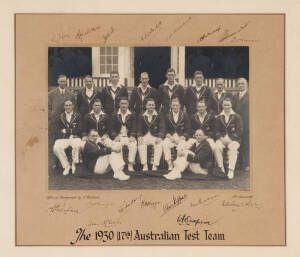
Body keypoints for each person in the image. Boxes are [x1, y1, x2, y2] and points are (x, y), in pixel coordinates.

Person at [214, 97, 244, 179]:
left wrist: (231, 139)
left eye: (228, 105)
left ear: (231, 105)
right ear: (222, 106)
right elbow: (216, 131)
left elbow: (240, 131)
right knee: (216, 147)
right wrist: (221, 138)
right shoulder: (219, 117)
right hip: (222, 139)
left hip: (234, 139)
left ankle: (231, 170)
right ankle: (221, 168)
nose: (226, 107)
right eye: (225, 105)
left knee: (233, 148)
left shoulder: (237, 116)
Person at [53, 99, 82, 175]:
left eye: (70, 105)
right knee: (56, 148)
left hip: (75, 137)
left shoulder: (78, 116)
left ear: (73, 106)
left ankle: (74, 164)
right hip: (63, 138)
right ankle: (66, 166)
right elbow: (57, 130)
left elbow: (79, 129)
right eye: (66, 105)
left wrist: (66, 131)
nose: (68, 107)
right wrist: (70, 131)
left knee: (78, 145)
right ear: (64, 107)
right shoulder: (60, 117)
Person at [162, 97, 191, 171]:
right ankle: (169, 164)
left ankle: (178, 165)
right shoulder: (167, 116)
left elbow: (188, 130)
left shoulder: (184, 115)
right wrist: (169, 136)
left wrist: (182, 137)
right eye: (173, 105)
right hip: (171, 137)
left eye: (177, 105)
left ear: (180, 106)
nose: (175, 107)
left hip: (181, 137)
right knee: (165, 144)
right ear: (171, 106)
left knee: (182, 145)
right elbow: (164, 129)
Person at [137, 98, 165, 171]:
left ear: (155, 106)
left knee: (159, 144)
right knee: (141, 144)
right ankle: (144, 165)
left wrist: (160, 137)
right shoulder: (141, 114)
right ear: (146, 106)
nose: (151, 106)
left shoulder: (159, 114)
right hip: (145, 136)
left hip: (155, 136)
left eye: (152, 105)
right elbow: (139, 128)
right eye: (149, 105)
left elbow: (162, 127)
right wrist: (139, 136)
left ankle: (155, 165)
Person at [110, 97, 138, 172]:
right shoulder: (114, 114)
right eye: (122, 103)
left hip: (129, 137)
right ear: (119, 104)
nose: (123, 105)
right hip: (119, 136)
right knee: (117, 145)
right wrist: (115, 136)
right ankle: (120, 165)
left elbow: (134, 126)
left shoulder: (132, 114)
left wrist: (132, 135)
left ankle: (130, 164)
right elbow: (111, 128)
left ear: (128, 104)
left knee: (133, 145)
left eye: (125, 103)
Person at [233, 77, 250, 171]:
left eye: (242, 83)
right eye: (239, 84)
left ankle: (247, 164)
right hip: (237, 124)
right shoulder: (235, 96)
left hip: (247, 123)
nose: (240, 85)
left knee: (247, 143)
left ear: (246, 85)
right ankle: (238, 164)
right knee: (238, 143)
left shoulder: (250, 95)